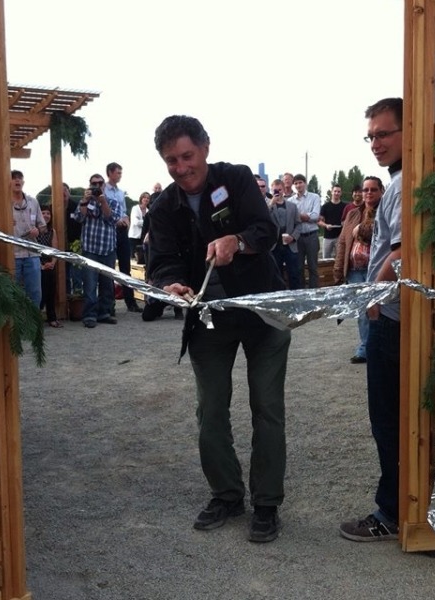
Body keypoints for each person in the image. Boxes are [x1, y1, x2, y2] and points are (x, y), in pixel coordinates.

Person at [148, 115, 290, 543]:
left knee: (266, 406)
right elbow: (160, 263)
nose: (180, 168)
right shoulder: (162, 207)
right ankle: (226, 494)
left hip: (262, 311)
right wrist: (170, 284)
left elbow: (266, 230)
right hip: (208, 319)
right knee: (210, 410)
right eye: (171, 161)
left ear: (205, 148)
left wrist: (237, 242)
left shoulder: (237, 178)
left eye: (187, 156)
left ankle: (267, 503)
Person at [339, 97, 404, 542]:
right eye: (370, 136)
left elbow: (401, 252)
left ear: (407, 131)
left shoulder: (401, 186)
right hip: (396, 312)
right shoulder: (401, 180)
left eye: (383, 134)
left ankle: (391, 512)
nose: (375, 143)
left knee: (387, 419)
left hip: (392, 316)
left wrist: (374, 297)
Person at [333, 177, 383, 364]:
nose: (368, 193)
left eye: (373, 189)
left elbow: (383, 235)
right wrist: (338, 269)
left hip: (376, 270)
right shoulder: (353, 214)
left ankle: (377, 347)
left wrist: (362, 229)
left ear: (381, 191)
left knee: (379, 310)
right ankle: (365, 348)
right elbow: (342, 242)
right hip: (355, 270)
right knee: (363, 311)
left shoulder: (385, 211)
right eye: (365, 190)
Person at [73, 173, 121, 328]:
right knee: (90, 285)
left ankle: (104, 313)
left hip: (108, 249)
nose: (97, 186)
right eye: (94, 184)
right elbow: (78, 218)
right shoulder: (84, 201)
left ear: (104, 185)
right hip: (90, 249)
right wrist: (84, 201)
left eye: (100, 183)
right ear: (89, 185)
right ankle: (89, 315)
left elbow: (112, 219)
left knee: (107, 284)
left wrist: (103, 201)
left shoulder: (113, 202)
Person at [105, 162, 141, 313]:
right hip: (109, 231)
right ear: (110, 173)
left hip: (122, 232)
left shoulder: (120, 193)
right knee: (109, 268)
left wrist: (126, 220)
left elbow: (124, 211)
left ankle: (130, 302)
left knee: (126, 267)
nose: (120, 175)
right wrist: (116, 221)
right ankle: (109, 305)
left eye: (121, 172)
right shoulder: (103, 190)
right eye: (118, 172)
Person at [10, 169, 47, 308]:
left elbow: (43, 227)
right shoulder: (2, 203)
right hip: (12, 254)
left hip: (32, 254)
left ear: (23, 182)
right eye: (14, 178)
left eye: (20, 178)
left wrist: (37, 230)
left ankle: (34, 320)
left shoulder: (33, 202)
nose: (17, 180)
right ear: (8, 182)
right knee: (13, 293)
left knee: (35, 293)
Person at [268, 178, 301, 289]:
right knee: (277, 276)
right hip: (274, 246)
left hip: (290, 246)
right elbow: (263, 219)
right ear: (271, 190)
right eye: (275, 190)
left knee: (294, 274)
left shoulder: (292, 206)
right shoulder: (267, 205)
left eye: (279, 190)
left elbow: (298, 224)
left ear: (283, 190)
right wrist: (271, 204)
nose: (277, 192)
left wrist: (293, 237)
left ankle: (296, 296)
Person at [293, 173, 321, 288]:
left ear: (305, 183)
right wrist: (307, 216)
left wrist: (298, 216)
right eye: (296, 183)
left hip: (312, 236)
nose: (298, 185)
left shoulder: (315, 197)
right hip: (298, 238)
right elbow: (292, 220)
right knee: (299, 267)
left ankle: (314, 292)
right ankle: (301, 292)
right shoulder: (291, 201)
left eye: (300, 182)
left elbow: (315, 216)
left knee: (313, 267)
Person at [37, 206, 62, 328]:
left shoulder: (52, 231)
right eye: (43, 213)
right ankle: (36, 317)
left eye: (48, 213)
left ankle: (52, 317)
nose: (46, 215)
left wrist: (52, 263)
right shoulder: (34, 230)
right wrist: (40, 265)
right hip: (36, 263)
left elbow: (55, 249)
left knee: (50, 291)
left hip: (49, 263)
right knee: (39, 291)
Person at [319, 183, 346, 259]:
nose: (336, 193)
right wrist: (326, 225)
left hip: (340, 237)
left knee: (340, 258)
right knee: (326, 259)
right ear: (331, 192)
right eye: (335, 191)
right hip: (327, 237)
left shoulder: (345, 206)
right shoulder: (325, 206)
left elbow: (349, 220)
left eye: (338, 191)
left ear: (341, 193)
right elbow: (319, 221)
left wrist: (345, 223)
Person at [129, 191, 150, 264]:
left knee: (141, 258)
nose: (146, 199)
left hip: (143, 238)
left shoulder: (149, 211)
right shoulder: (135, 208)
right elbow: (135, 222)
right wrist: (145, 223)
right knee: (133, 258)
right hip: (134, 237)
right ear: (141, 198)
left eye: (148, 198)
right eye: (144, 197)